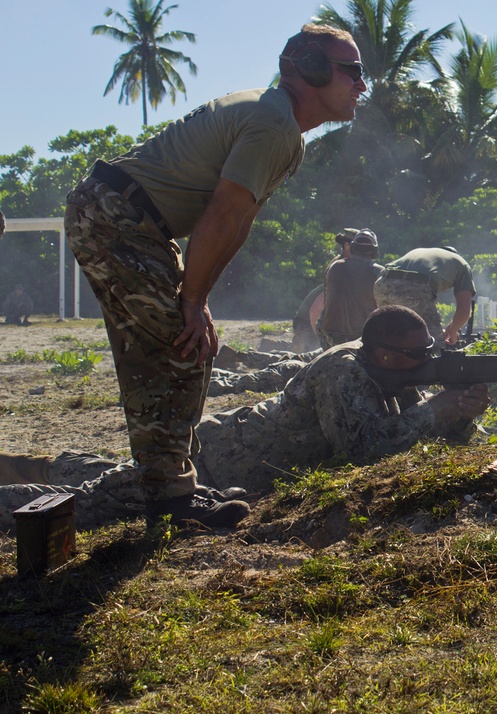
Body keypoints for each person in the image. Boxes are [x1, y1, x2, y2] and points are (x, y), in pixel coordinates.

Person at [62, 24, 367, 528]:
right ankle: (171, 500)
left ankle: (171, 493)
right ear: (310, 67)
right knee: (179, 348)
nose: (362, 84)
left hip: (128, 222)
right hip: (115, 217)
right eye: (352, 71)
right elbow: (222, 215)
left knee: (183, 347)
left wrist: (196, 299)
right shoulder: (273, 123)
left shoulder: (281, 129)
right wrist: (191, 300)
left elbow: (237, 223)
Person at [0, 306, 489, 532]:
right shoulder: (346, 372)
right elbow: (365, 448)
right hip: (210, 465)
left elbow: (411, 432)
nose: (425, 361)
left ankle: (30, 463)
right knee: (91, 504)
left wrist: (459, 416)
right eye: (416, 354)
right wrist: (438, 409)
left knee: (87, 472)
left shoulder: (392, 372)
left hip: (220, 470)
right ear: (383, 353)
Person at [373, 247, 475, 345]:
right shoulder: (462, 264)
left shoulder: (423, 253)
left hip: (382, 284)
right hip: (412, 287)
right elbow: (464, 309)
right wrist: (453, 329)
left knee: (391, 333)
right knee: (431, 340)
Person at [315, 228, 383, 349]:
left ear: (352, 247)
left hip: (332, 337)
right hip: (362, 339)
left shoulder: (335, 267)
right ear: (374, 251)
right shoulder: (378, 272)